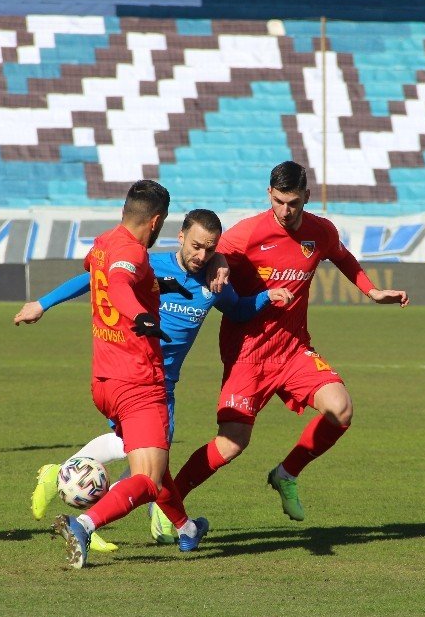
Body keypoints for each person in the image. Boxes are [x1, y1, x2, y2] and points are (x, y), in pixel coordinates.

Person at [15, 209, 293, 544]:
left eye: (209, 248)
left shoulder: (215, 281)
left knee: (144, 458)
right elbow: (94, 278)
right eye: (195, 246)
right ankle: (96, 517)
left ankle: (174, 525)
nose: (201, 255)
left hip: (163, 383)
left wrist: (266, 296)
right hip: (135, 377)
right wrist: (43, 303)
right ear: (180, 237)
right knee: (148, 465)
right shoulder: (149, 265)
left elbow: (238, 309)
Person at [172, 161, 409, 522]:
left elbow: (343, 258)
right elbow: (214, 250)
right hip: (248, 353)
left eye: (294, 203)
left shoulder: (320, 231)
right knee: (232, 443)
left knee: (341, 408)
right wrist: (219, 260)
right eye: (279, 201)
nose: (285, 210)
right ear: (270, 194)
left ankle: (286, 474)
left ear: (306, 198)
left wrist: (372, 291)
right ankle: (170, 501)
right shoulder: (249, 232)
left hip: (294, 348)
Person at [46, 179, 210, 569]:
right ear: (156, 222)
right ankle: (83, 524)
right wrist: (140, 315)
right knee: (148, 478)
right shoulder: (133, 252)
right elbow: (120, 283)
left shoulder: (103, 242)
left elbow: (99, 276)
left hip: (104, 381)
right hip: (138, 381)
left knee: (156, 462)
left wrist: (156, 287)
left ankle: (186, 528)